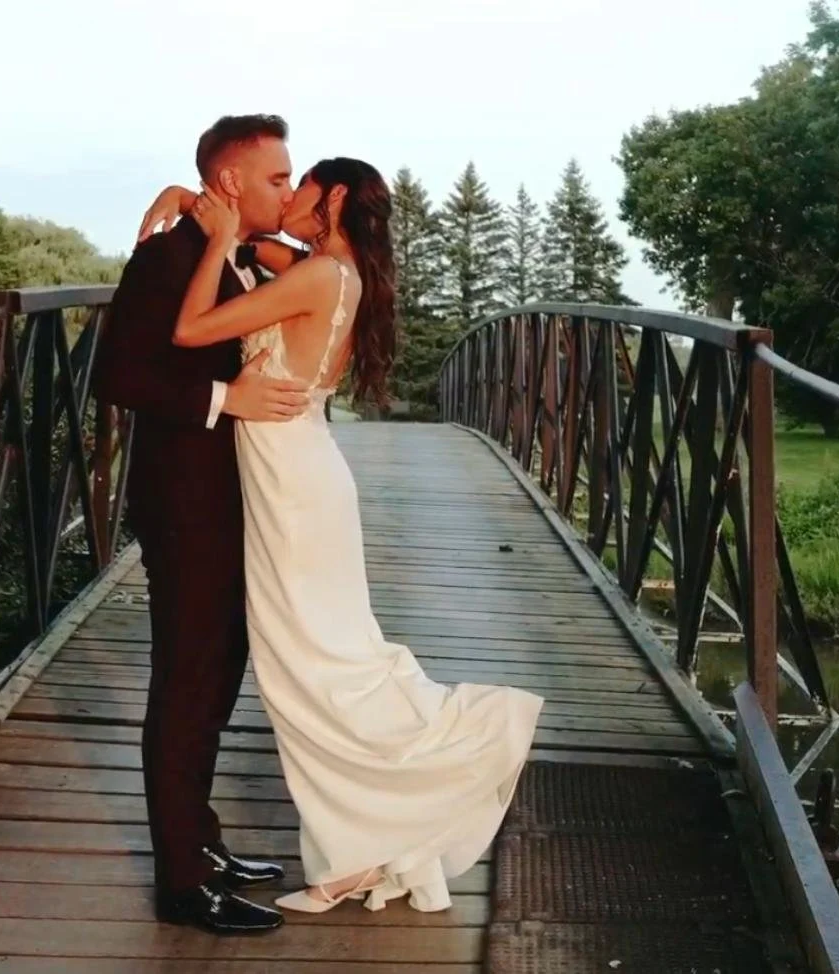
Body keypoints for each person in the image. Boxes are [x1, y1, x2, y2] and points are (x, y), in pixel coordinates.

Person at [146, 157, 544, 915]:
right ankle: (363, 845)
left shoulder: (317, 278)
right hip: (300, 475)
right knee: (319, 662)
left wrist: (218, 232)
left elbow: (191, 326)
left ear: (330, 198)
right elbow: (261, 247)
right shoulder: (332, 270)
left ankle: (456, 753)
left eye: (299, 187)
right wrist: (201, 206)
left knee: (314, 670)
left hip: (295, 488)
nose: (285, 199)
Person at [93, 114, 308, 935]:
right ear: (231, 182)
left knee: (219, 673)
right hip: (185, 503)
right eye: (277, 178)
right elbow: (119, 374)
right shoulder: (166, 257)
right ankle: (181, 884)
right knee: (186, 685)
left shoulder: (244, 255)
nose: (286, 190)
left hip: (235, 502)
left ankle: (202, 840)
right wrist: (226, 400)